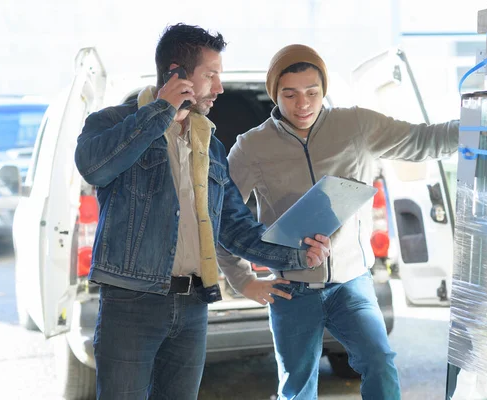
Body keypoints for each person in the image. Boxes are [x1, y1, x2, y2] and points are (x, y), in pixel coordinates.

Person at [74, 26, 330, 400]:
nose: (219, 88)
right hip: (132, 304)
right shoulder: (111, 122)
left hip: (194, 303)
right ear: (177, 74)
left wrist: (296, 252)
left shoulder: (208, 143)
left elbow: (235, 228)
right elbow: (95, 167)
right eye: (211, 75)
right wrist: (161, 110)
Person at [217, 44, 460, 400]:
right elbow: (223, 218)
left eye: (312, 93)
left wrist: (478, 125)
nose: (303, 104)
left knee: (380, 362)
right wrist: (244, 281)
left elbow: (422, 141)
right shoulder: (251, 148)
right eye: (290, 94)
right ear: (275, 94)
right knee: (297, 386)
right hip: (290, 290)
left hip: (351, 283)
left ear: (323, 90)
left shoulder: (357, 126)